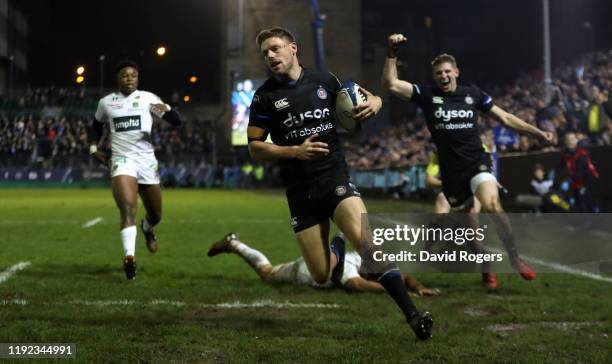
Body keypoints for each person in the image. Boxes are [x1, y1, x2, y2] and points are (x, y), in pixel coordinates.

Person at [247, 27, 433, 340]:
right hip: (300, 191)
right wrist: (295, 150)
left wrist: (375, 102)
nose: (270, 56)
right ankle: (337, 247)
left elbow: (365, 96)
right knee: (320, 274)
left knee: (371, 248)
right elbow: (254, 147)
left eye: (275, 48)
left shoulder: (325, 81)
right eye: (265, 52)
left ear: (293, 48)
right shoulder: (264, 96)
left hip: (333, 177)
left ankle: (413, 316)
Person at [382, 34, 554, 286]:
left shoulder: (473, 94)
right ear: (434, 76)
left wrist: (538, 132)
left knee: (493, 205)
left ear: (456, 72)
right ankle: (486, 263)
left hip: (477, 161)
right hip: (452, 173)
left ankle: (514, 258)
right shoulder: (427, 95)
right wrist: (391, 53)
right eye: (438, 73)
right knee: (470, 228)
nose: (443, 76)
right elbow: (391, 84)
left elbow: (505, 118)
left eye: (447, 71)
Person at [89, 60, 181, 280]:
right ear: (118, 78)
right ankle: (129, 257)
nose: (129, 78)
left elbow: (176, 121)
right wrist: (94, 148)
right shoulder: (107, 102)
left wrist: (168, 110)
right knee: (128, 208)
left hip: (146, 162)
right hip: (122, 161)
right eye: (124, 75)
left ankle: (147, 228)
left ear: (137, 78)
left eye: (133, 75)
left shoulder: (148, 99)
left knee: (156, 215)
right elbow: (95, 125)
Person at [208, 232, 440, 296]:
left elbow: (399, 275)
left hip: (318, 264)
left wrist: (416, 286)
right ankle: (234, 244)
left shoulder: (363, 260)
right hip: (306, 271)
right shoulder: (351, 266)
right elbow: (357, 285)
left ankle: (234, 243)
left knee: (268, 272)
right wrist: (395, 291)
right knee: (267, 274)